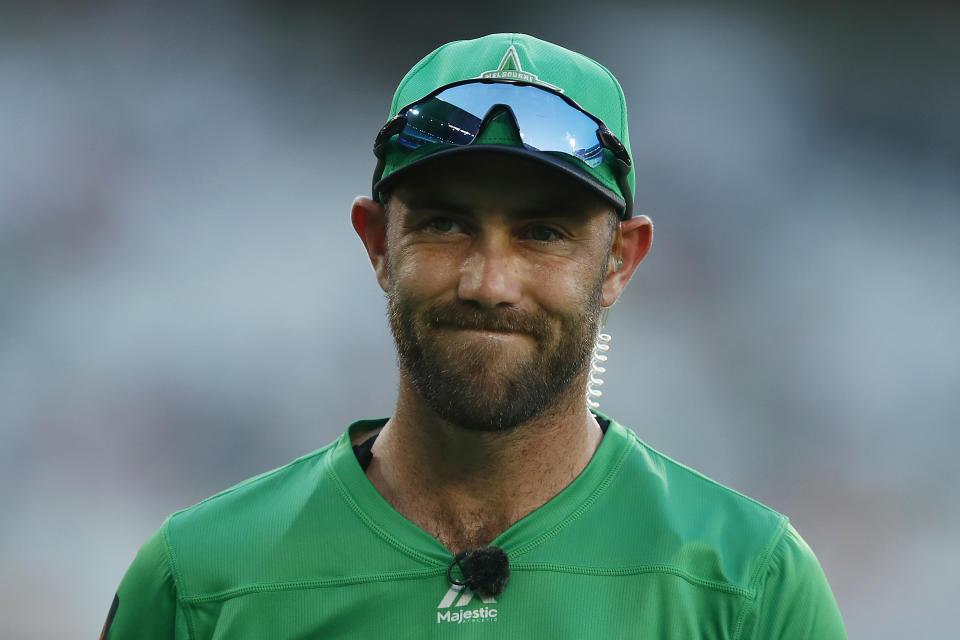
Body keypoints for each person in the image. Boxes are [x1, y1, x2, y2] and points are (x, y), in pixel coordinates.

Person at [102, 33, 847, 638]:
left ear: (620, 260)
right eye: (446, 224)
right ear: (377, 244)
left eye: (542, 232)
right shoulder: (197, 582)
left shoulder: (749, 585)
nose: (489, 282)